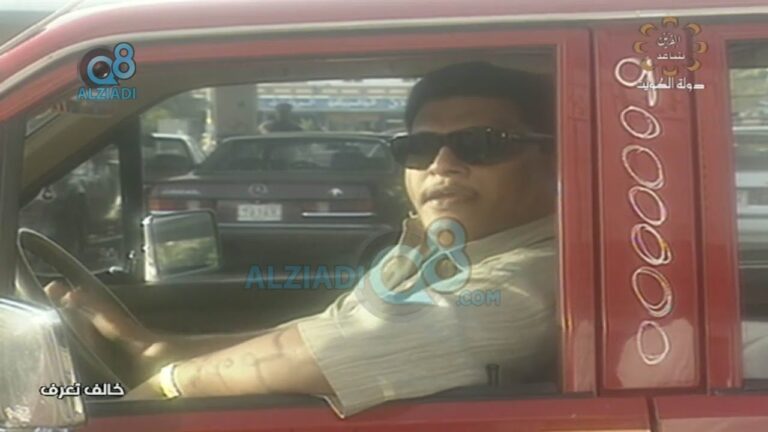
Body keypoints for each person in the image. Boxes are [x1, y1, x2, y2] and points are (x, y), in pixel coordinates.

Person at [45, 61, 558, 418]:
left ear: (558, 160)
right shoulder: (432, 251)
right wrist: (157, 347)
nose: (442, 165)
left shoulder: (531, 281)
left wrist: (163, 387)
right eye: (419, 148)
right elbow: (325, 331)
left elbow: (332, 353)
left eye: (480, 144)